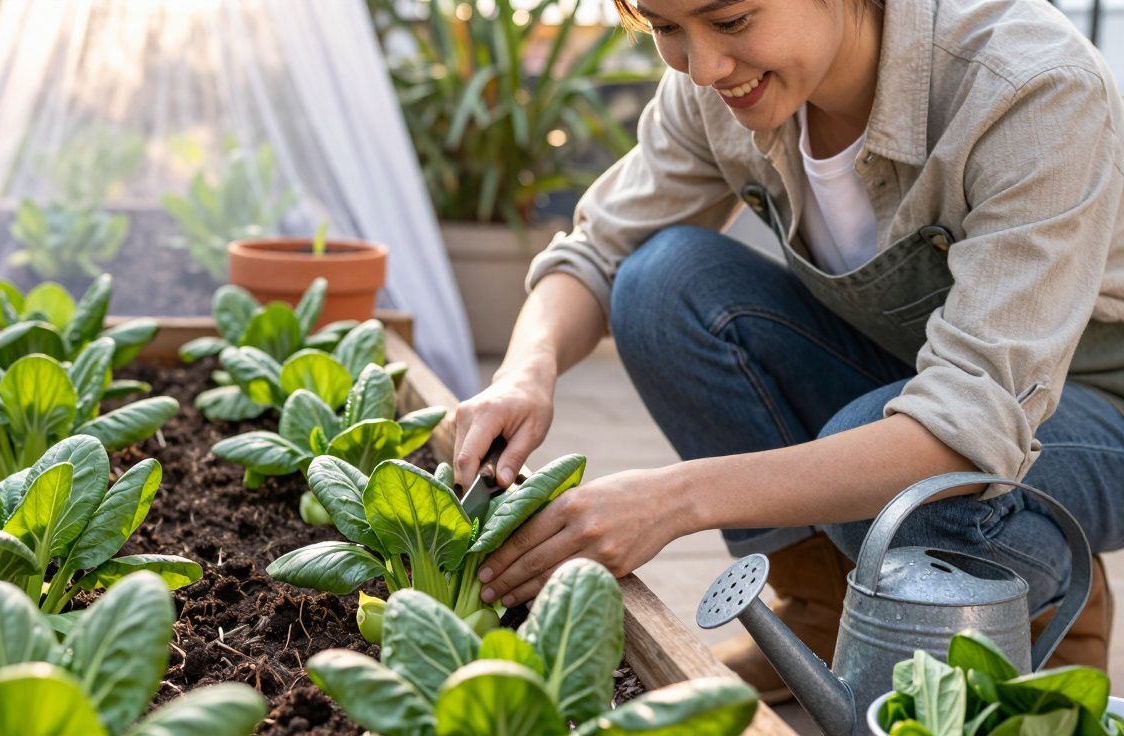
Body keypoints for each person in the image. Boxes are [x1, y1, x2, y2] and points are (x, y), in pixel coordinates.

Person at [451, 0, 1124, 704]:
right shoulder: (718, 87)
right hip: (918, 375)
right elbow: (601, 250)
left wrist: (675, 501)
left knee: (902, 494)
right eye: (665, 27)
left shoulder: (1028, 88)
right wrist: (524, 372)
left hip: (1090, 407)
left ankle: (1036, 594)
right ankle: (824, 611)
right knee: (662, 283)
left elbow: (967, 424)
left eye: (733, 21)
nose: (704, 67)